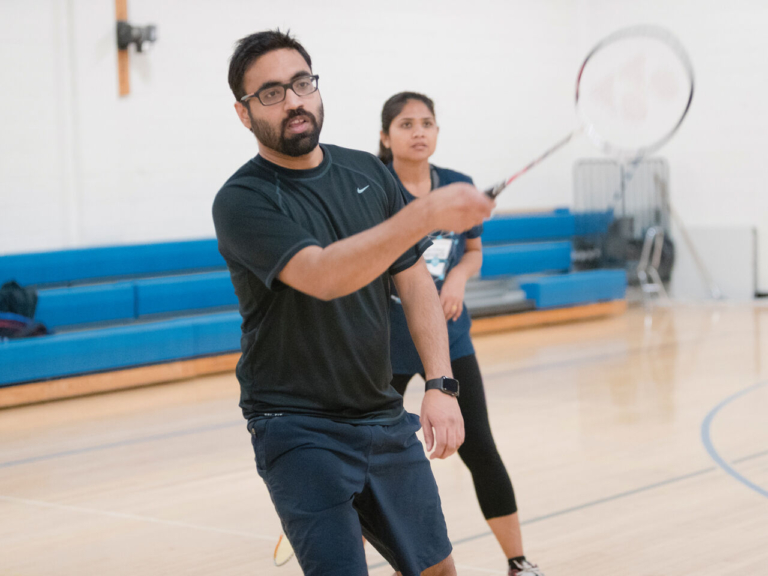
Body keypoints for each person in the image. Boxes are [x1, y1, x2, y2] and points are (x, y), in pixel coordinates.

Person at [212, 31, 495, 576]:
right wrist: (426, 213)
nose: (294, 100)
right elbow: (322, 274)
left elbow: (414, 283)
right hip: (296, 426)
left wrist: (440, 384)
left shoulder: (368, 173)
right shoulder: (241, 201)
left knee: (439, 571)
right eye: (271, 93)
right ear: (244, 114)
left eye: (301, 83)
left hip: (382, 416)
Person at [379, 92, 544, 576]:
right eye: (406, 124)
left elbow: (471, 251)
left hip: (446, 339)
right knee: (363, 453)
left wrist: (456, 278)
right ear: (386, 135)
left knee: (480, 448)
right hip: (381, 341)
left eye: (427, 122)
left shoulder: (457, 186)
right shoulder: (370, 185)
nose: (418, 132)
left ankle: (518, 561)